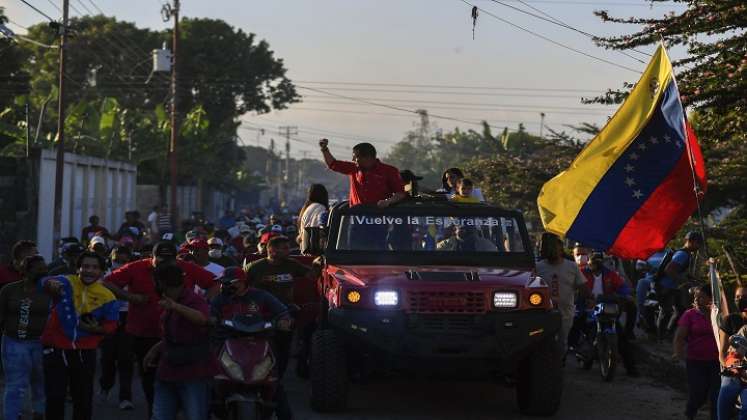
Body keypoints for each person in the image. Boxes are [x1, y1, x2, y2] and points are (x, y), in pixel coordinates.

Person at [104, 241, 218, 417]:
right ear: (152, 257)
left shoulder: (187, 275)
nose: (165, 265)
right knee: (151, 382)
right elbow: (107, 282)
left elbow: (214, 285)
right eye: (161, 260)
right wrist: (129, 297)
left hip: (184, 339)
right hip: (145, 333)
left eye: (169, 261)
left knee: (190, 392)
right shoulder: (136, 267)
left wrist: (204, 301)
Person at [41, 251, 120, 420]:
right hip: (56, 349)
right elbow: (44, 281)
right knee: (55, 397)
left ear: (101, 271)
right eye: (85, 266)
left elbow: (111, 326)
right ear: (78, 268)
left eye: (94, 267)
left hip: (85, 352)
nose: (89, 271)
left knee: (83, 400)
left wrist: (97, 329)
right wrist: (50, 284)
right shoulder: (66, 281)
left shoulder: (108, 297)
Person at [209, 267, 293, 419]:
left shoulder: (261, 296)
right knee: (208, 381)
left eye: (228, 283)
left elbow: (282, 311)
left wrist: (284, 321)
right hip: (225, 342)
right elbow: (210, 313)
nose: (224, 286)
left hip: (260, 341)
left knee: (275, 381)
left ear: (242, 282)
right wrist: (211, 320)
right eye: (222, 283)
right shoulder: (220, 299)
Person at [142, 265, 214, 420]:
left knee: (195, 415)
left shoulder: (193, 299)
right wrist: (154, 350)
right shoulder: (168, 300)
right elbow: (173, 336)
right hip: (167, 369)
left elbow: (202, 319)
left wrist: (176, 307)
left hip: (193, 372)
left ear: (161, 283)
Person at [0, 255, 51, 420]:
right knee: (15, 385)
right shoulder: (9, 290)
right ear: (25, 271)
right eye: (39, 270)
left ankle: (39, 413)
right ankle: (11, 416)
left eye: (45, 269)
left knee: (41, 382)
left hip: (42, 343)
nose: (44, 273)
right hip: (14, 342)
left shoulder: (51, 291)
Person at [580, 252, 638, 375]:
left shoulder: (610, 274)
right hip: (586, 309)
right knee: (574, 329)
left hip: (605, 309)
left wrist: (627, 295)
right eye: (593, 262)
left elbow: (622, 287)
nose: (595, 265)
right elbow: (574, 286)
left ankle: (631, 368)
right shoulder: (582, 273)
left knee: (622, 338)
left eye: (598, 262)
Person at [535, 232, 587, 354]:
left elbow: (582, 285)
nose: (552, 251)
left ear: (560, 249)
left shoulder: (572, 267)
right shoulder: (537, 267)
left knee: (562, 343)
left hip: (566, 314)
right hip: (544, 314)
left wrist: (590, 298)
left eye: (555, 247)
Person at [673, 285, 719, 420]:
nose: (697, 300)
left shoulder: (718, 314)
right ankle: (690, 411)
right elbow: (679, 336)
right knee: (698, 393)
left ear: (711, 298)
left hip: (717, 361)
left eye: (701, 297)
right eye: (695, 297)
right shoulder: (689, 315)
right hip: (695, 361)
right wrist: (677, 352)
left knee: (716, 395)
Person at [98, 246, 135, 410]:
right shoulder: (104, 277)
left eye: (123, 261)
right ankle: (105, 385)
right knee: (107, 357)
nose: (118, 264)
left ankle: (125, 397)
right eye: (116, 260)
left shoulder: (134, 277)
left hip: (128, 318)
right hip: (108, 319)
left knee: (125, 359)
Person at [319, 138, 406, 208]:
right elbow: (333, 164)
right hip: (356, 218)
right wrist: (324, 149)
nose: (353, 160)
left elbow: (400, 193)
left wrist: (388, 202)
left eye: (355, 157)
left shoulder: (389, 171)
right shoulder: (353, 169)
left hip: (380, 218)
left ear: (367, 158)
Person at [657, 231, 704, 339]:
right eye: (697, 243)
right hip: (666, 287)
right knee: (667, 311)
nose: (698, 246)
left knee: (680, 310)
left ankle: (669, 333)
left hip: (673, 287)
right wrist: (683, 282)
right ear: (690, 242)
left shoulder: (686, 254)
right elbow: (669, 270)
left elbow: (681, 271)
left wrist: (693, 279)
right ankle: (661, 337)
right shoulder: (682, 254)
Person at [717, 321, 747, 420]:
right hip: (738, 372)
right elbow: (733, 354)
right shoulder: (745, 330)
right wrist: (733, 364)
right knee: (726, 391)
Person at [298, 184, 329, 256]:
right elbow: (316, 230)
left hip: (305, 250)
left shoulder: (306, 208)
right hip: (314, 253)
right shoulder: (320, 208)